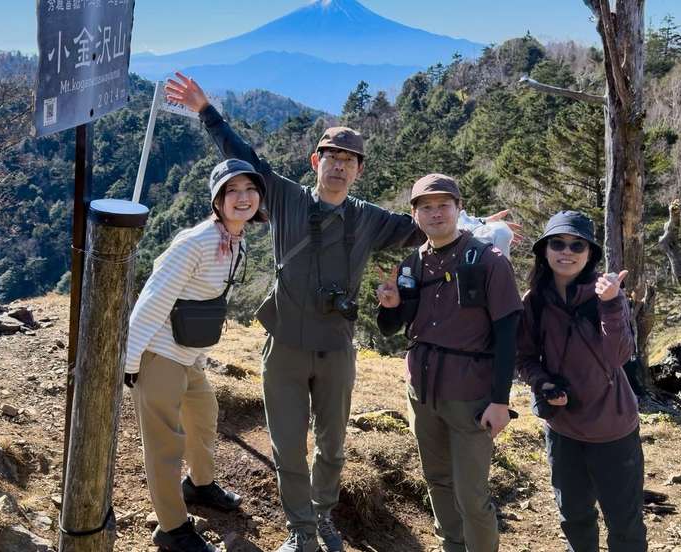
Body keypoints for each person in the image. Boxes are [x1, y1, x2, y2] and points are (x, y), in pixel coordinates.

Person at [165, 73, 518, 552]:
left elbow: (428, 224)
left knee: (331, 445)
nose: (338, 167)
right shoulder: (286, 198)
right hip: (285, 348)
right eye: (331, 157)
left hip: (336, 349)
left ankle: (323, 517)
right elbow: (245, 157)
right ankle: (301, 531)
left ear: (358, 171)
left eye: (348, 161)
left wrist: (475, 222)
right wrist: (207, 111)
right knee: (288, 446)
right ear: (316, 162)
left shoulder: (369, 218)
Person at [124, 158, 267, 552]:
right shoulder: (196, 242)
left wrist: (200, 356)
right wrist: (131, 362)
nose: (243, 197)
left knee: (204, 417)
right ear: (217, 200)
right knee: (165, 444)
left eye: (250, 189)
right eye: (232, 190)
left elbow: (205, 307)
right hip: (158, 354)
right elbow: (153, 300)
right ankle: (172, 528)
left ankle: (199, 485)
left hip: (188, 354)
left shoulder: (235, 241)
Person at [375, 174, 523, 552]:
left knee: (472, 494)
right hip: (422, 393)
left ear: (459, 209)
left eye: (444, 205)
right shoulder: (412, 264)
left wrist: (500, 401)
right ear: (415, 215)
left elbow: (508, 334)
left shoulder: (488, 261)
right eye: (426, 207)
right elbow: (392, 327)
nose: (436, 213)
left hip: (470, 394)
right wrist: (389, 306)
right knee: (437, 481)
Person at [516, 210, 647, 552]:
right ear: (544, 250)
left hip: (613, 429)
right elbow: (525, 358)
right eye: (558, 243)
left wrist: (611, 303)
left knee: (625, 525)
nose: (567, 251)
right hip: (563, 429)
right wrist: (544, 384)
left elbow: (619, 356)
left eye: (577, 245)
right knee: (574, 518)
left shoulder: (606, 294)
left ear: (590, 254)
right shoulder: (535, 301)